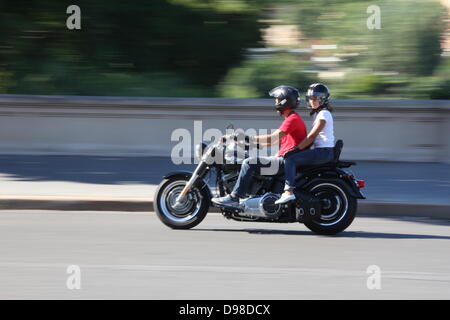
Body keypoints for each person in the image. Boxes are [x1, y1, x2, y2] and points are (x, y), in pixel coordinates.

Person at [212, 85, 307, 207]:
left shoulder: (292, 119)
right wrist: (247, 144)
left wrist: (244, 137)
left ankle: (235, 197)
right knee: (250, 160)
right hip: (284, 159)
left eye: (277, 99)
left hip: (286, 161)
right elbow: (272, 142)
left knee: (248, 163)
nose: (275, 101)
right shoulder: (291, 118)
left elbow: (272, 138)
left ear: (284, 101)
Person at [275, 83, 335, 205]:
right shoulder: (318, 114)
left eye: (315, 99)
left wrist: (296, 150)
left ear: (322, 99)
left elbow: (311, 136)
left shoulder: (323, 114)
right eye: (310, 99)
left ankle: (288, 192)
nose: (311, 101)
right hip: (321, 151)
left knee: (290, 159)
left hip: (323, 152)